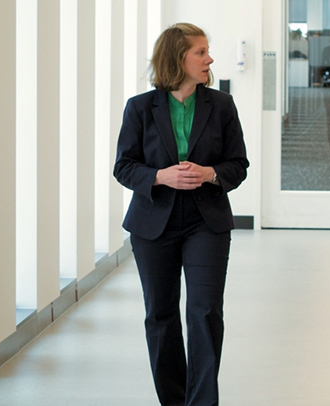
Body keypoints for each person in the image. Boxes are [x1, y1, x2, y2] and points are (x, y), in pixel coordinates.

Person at [114, 23, 249, 406]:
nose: (209, 59)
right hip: (153, 224)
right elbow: (123, 167)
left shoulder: (221, 105)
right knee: (161, 315)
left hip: (206, 222)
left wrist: (210, 174)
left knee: (205, 312)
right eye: (201, 52)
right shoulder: (140, 108)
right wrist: (160, 175)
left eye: (207, 52)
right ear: (178, 58)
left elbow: (238, 164)